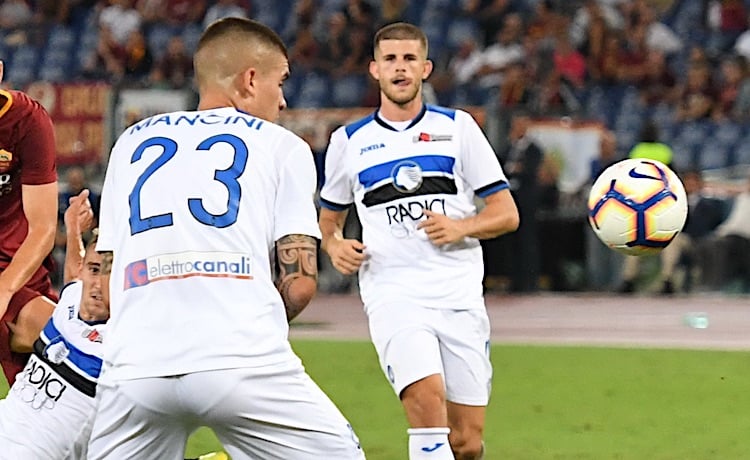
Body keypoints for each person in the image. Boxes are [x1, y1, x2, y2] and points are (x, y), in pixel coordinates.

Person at [88, 18, 364, 460]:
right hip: (241, 360)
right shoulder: (282, 146)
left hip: (136, 369)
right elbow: (300, 282)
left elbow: (98, 292)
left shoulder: (130, 143)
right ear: (250, 80)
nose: (284, 98)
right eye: (281, 81)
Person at [318, 22, 520, 460]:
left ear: (426, 68)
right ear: (374, 70)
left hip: (458, 294)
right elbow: (327, 220)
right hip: (393, 294)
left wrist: (461, 228)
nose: (400, 68)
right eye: (390, 59)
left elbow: (507, 214)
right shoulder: (349, 142)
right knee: (427, 402)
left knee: (466, 442)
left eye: (409, 59)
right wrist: (333, 245)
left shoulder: (459, 129)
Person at [0, 190, 105, 459]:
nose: (97, 284)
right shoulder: (70, 304)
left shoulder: (124, 344)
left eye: (109, 275)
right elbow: (73, 274)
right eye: (93, 270)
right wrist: (72, 228)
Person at [0, 60, 60, 387]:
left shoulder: (27, 121)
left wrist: (4, 289)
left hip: (18, 271)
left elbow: (44, 229)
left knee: (67, 344)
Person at [619, 170, 725, 294]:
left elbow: (708, 226)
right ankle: (628, 279)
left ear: (700, 184)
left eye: (693, 182)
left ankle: (667, 280)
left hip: (692, 240)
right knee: (637, 240)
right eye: (687, 182)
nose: (690, 185)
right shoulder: (672, 201)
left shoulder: (709, 204)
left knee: (673, 242)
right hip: (666, 234)